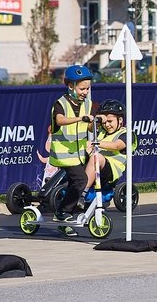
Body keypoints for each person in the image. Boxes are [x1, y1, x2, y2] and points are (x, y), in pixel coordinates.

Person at [50, 65, 94, 230]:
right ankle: (63, 211)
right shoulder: (61, 103)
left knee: (75, 183)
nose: (85, 92)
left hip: (79, 154)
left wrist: (94, 123)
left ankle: (63, 219)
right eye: (82, 88)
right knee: (81, 180)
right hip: (64, 154)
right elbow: (60, 120)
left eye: (88, 88)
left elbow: (88, 128)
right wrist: (80, 119)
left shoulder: (87, 105)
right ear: (70, 86)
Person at [80, 99, 135, 206]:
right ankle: (57, 184)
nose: (107, 125)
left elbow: (116, 146)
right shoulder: (102, 132)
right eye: (105, 122)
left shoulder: (127, 134)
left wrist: (95, 143)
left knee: (97, 157)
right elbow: (91, 128)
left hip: (111, 172)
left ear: (120, 120)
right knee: (75, 156)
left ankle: (82, 194)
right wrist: (98, 120)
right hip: (94, 167)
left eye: (110, 121)